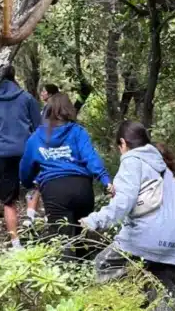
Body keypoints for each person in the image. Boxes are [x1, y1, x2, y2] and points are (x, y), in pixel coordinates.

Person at [80, 121, 175, 287]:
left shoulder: (132, 161)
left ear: (123, 143)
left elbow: (122, 204)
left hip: (146, 238)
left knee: (100, 266)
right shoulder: (164, 167)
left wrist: (93, 221)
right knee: (162, 300)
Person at [19, 93, 110, 237]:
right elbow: (91, 158)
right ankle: (85, 257)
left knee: (61, 239)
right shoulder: (78, 131)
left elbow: (25, 168)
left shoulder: (36, 137)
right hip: (82, 188)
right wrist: (105, 180)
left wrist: (28, 183)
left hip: (54, 190)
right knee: (84, 237)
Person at [0, 66, 41, 247]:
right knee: (35, 185)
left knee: (8, 201)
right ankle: (30, 216)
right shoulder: (27, 98)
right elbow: (39, 129)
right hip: (27, 151)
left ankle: (16, 244)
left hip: (3, 154)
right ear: (14, 77)